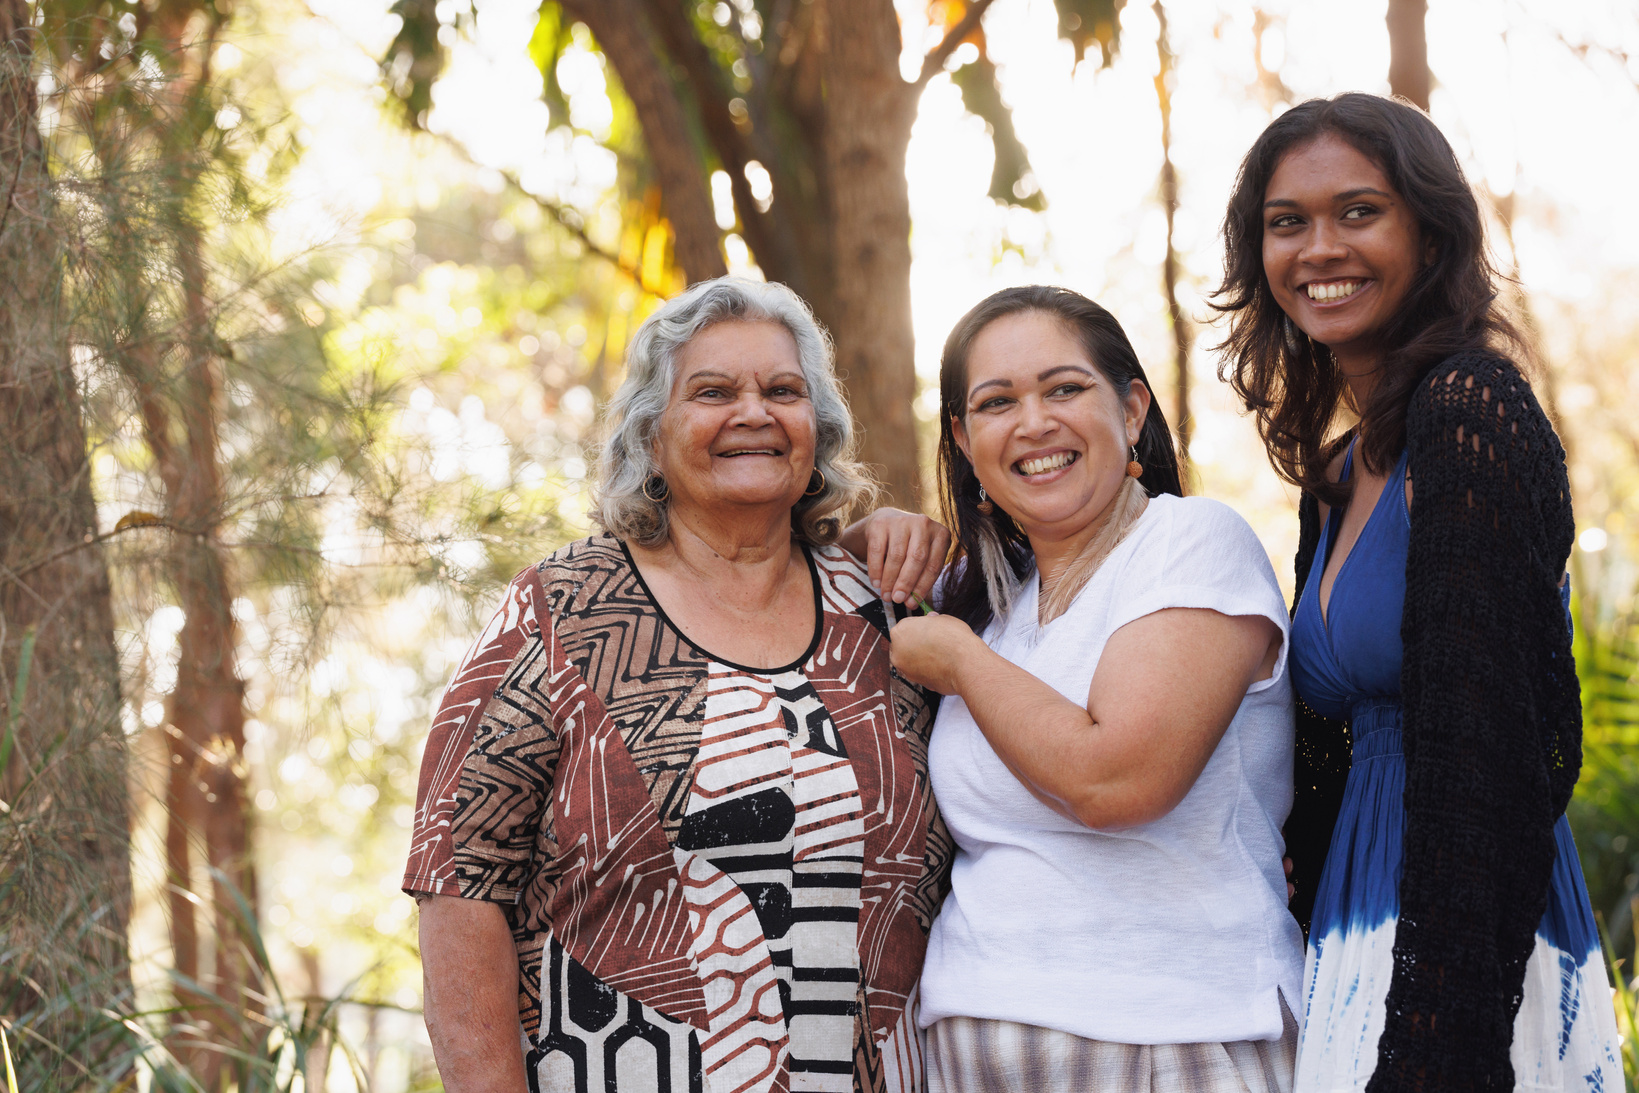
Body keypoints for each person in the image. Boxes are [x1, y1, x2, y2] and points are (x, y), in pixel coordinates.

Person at [403, 276, 954, 1093]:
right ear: (651, 437)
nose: (753, 412)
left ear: (818, 431)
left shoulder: (886, 612)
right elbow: (458, 874)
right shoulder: (564, 609)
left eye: (782, 390)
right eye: (712, 392)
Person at [1214, 92, 1620, 1091]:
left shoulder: (1471, 411)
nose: (1319, 247)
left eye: (1359, 211)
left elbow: (1495, 746)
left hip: (1461, 936)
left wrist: (1440, 1032)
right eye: (1286, 222)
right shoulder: (1338, 472)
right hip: (1356, 922)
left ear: (1429, 232)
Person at [889, 285, 1305, 1093]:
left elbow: (1117, 780)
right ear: (964, 439)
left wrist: (963, 665)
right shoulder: (981, 603)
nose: (1033, 421)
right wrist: (878, 535)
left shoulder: (1192, 544)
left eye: (1064, 387)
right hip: (970, 1044)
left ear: (1131, 408)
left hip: (1176, 1038)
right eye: (996, 401)